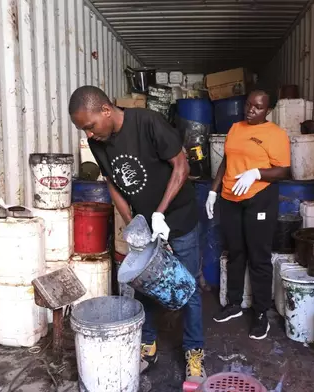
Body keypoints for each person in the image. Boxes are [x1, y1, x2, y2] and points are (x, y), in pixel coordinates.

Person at [68, 86, 206, 384]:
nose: (88, 135)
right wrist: (135, 225)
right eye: (83, 130)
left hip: (179, 219)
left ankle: (194, 351)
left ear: (106, 110)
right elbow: (113, 186)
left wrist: (160, 214)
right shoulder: (99, 142)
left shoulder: (147, 123)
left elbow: (181, 166)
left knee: (186, 286)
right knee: (145, 286)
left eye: (89, 126)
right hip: (146, 223)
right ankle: (148, 344)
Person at [206, 90, 291, 340]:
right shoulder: (235, 128)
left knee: (259, 256)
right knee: (235, 252)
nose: (251, 110)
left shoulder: (276, 134)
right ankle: (234, 304)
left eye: (258, 107)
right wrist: (214, 190)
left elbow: (284, 171)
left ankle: (261, 313)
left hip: (259, 199)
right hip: (230, 199)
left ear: (268, 110)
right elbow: (226, 161)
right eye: (248, 105)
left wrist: (256, 173)